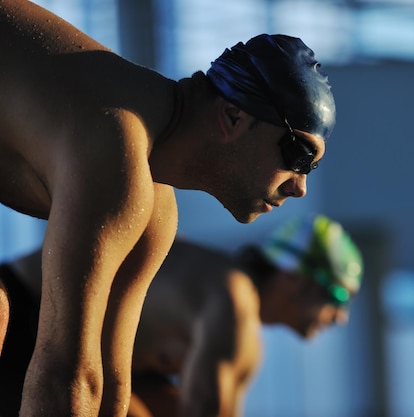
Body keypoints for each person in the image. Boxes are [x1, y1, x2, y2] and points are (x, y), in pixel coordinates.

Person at [0, 0, 336, 415]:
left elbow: (107, 385)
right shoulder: (117, 145)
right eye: (299, 155)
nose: (300, 187)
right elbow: (65, 374)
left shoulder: (156, 210)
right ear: (233, 117)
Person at [0, 214, 363, 417]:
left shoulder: (217, 283)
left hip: (36, 321)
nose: (340, 317)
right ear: (292, 276)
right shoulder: (236, 304)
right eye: (337, 295)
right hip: (20, 314)